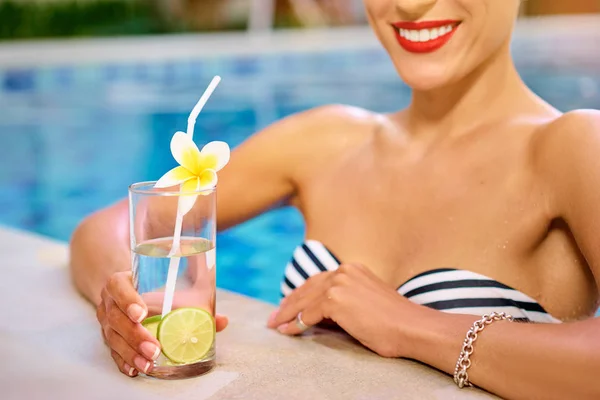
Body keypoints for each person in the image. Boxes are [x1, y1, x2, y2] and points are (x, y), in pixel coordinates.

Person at [69, 0, 600, 398]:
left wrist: (410, 325)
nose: (411, 4)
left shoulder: (570, 148)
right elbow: (109, 226)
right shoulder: (326, 140)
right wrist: (121, 305)